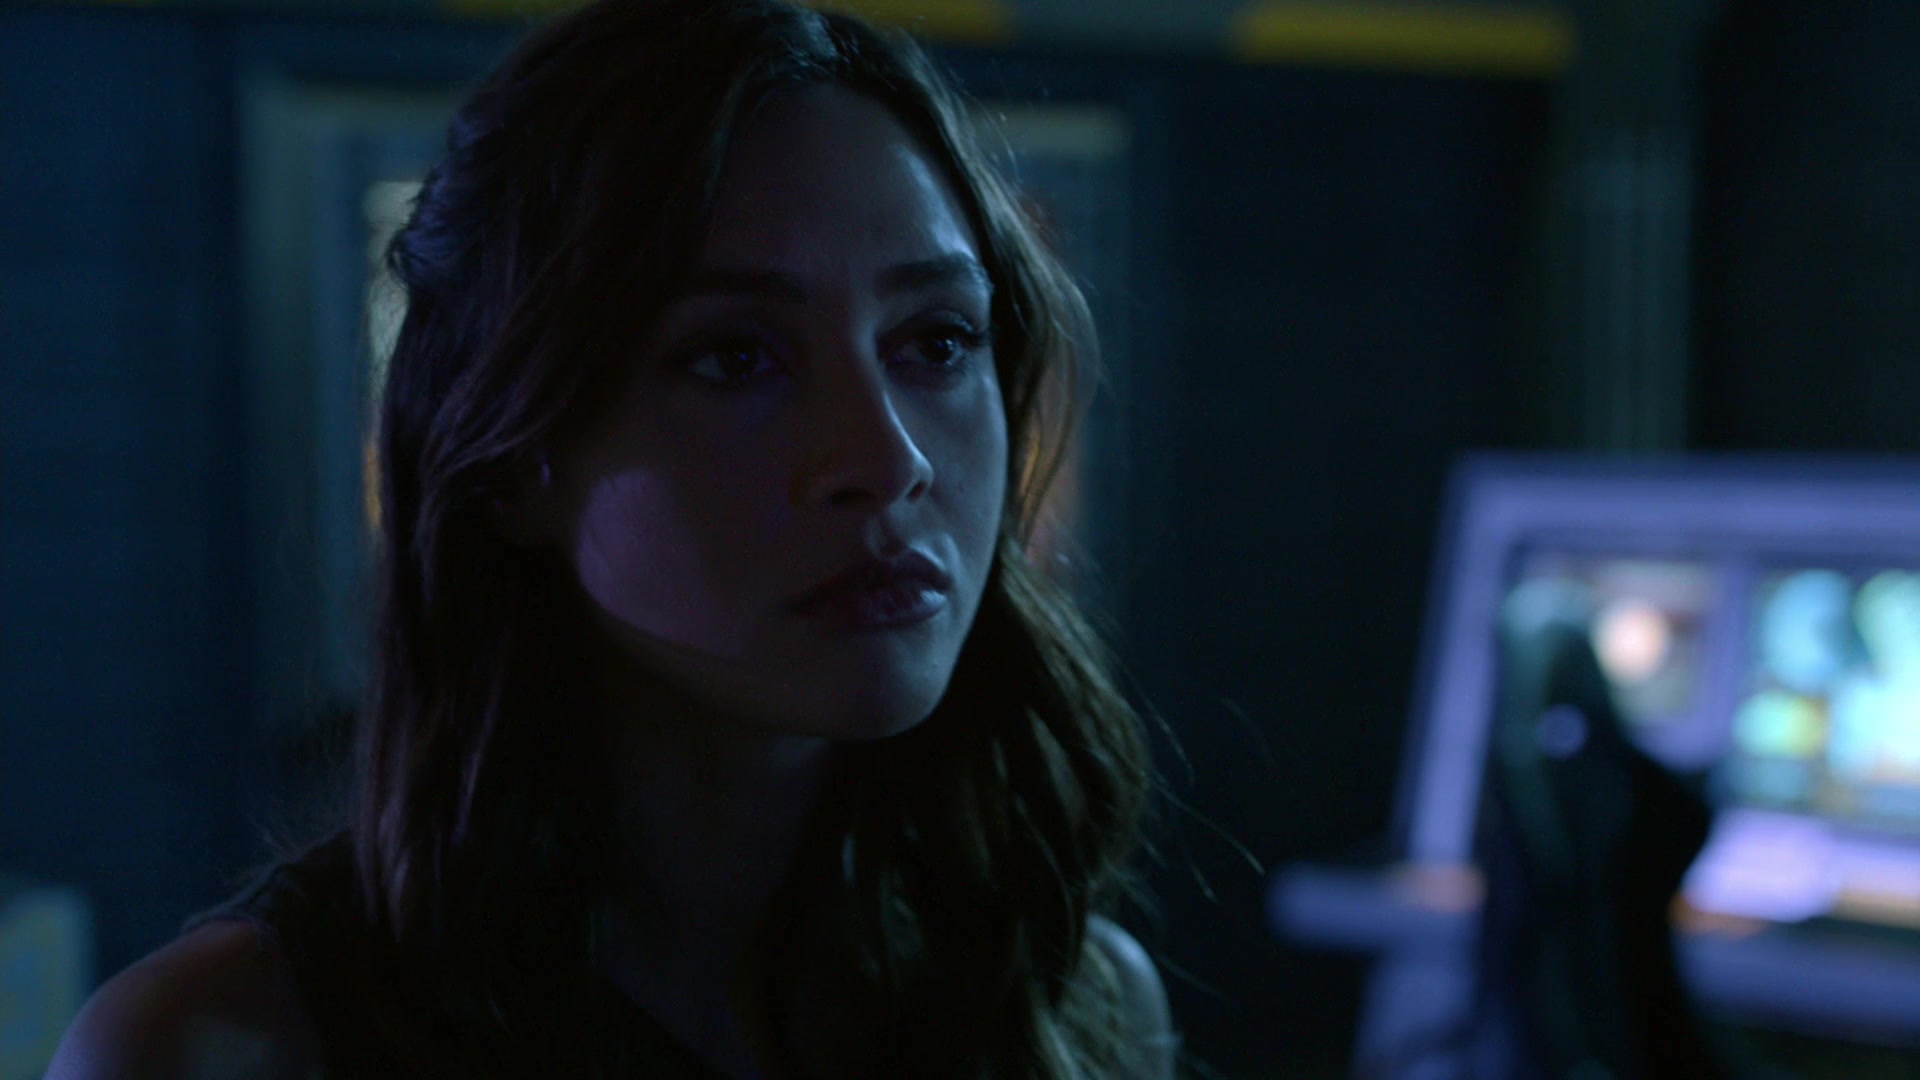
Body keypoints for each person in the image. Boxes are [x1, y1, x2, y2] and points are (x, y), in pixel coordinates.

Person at [47, 0, 1173, 1077]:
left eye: (937, 341)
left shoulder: (1072, 1006)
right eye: (736, 358)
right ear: (513, 455)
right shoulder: (227, 1048)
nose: (887, 458)